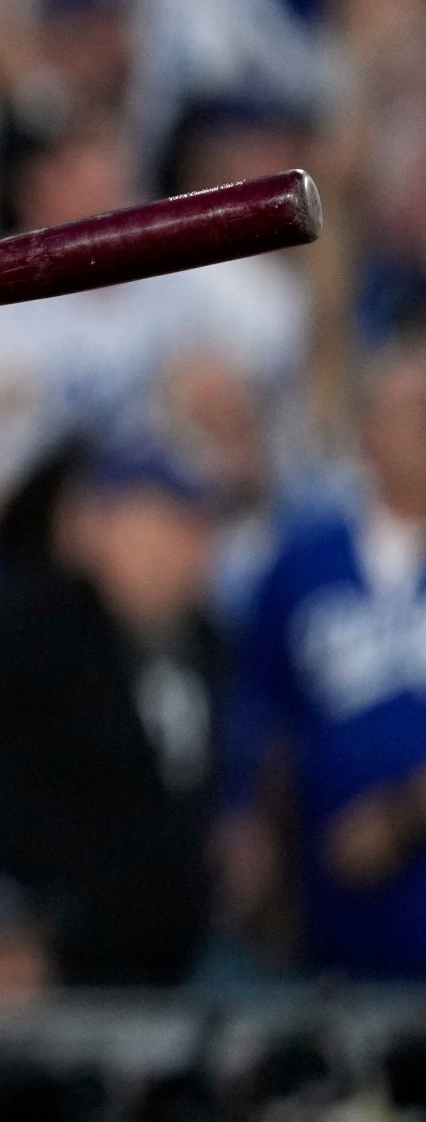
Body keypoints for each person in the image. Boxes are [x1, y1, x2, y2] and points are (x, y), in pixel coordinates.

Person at [0, 443, 225, 989]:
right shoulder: (32, 622)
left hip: (163, 956)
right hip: (24, 953)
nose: (187, 548)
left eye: (195, 530)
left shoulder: (210, 646)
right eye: (166, 526)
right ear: (104, 529)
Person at [236, 335, 426, 975]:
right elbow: (256, 707)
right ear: (366, 431)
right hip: (330, 901)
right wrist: (248, 825)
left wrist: (403, 818)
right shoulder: (304, 561)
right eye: (409, 408)